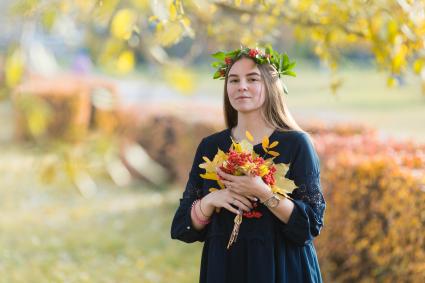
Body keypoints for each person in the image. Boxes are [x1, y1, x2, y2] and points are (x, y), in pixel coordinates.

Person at [171, 46, 326, 283]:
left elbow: (309, 226)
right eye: (233, 80)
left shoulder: (296, 144)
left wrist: (263, 192)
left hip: (283, 270)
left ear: (270, 85)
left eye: (252, 79)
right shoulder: (211, 146)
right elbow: (183, 227)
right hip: (225, 268)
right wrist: (211, 201)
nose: (241, 86)